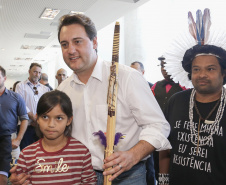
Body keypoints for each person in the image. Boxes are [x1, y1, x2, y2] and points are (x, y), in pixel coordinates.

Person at [10, 14, 171, 185]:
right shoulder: (63, 90)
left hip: (126, 176)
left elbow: (158, 125)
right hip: (78, 175)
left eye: (77, 41)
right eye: (65, 44)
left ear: (94, 42)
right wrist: (31, 171)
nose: (70, 50)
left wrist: (133, 155)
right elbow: (57, 137)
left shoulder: (126, 77)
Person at [159, 8, 226, 185]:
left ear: (223, 73)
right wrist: (164, 179)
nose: (202, 74)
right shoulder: (177, 100)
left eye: (210, 69)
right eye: (196, 69)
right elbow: (165, 145)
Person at [15, 90, 97, 184]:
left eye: (59, 118)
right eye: (45, 117)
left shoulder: (81, 152)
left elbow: (90, 182)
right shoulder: (26, 155)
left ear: (69, 120)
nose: (51, 124)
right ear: (37, 118)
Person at [0, 66, 28, 185]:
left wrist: (18, 139)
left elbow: (24, 119)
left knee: (12, 175)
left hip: (10, 139)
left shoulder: (15, 97)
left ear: (4, 78)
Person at [130, 61, 155, 185]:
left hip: (149, 134)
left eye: (136, 70)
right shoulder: (127, 87)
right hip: (135, 135)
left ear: (143, 72)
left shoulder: (151, 87)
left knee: (150, 167)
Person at [15, 63, 50, 150]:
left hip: (40, 126)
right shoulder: (20, 86)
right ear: (29, 71)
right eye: (35, 72)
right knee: (26, 151)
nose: (37, 74)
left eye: (39, 72)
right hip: (26, 125)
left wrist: (38, 119)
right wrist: (33, 117)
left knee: (41, 150)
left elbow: (47, 106)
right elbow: (20, 103)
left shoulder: (45, 89)